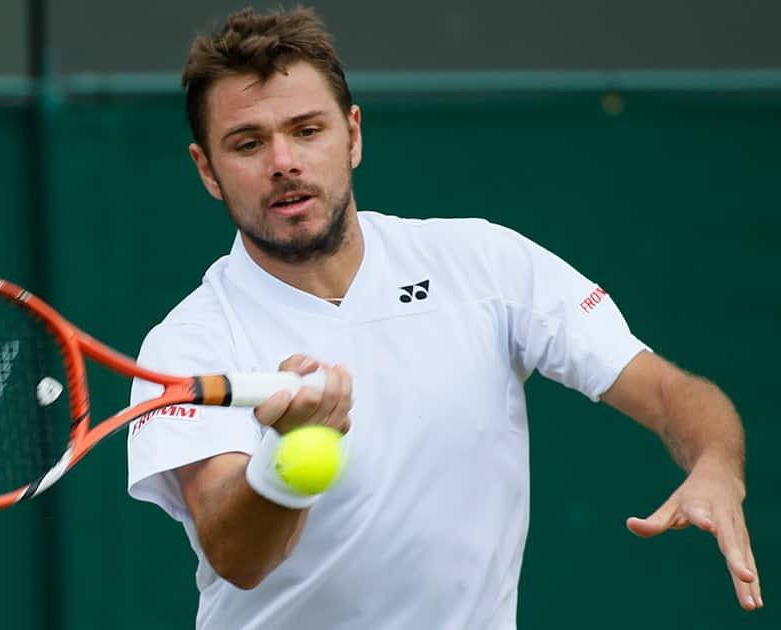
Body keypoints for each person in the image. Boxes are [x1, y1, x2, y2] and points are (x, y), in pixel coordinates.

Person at [126, 7, 761, 629]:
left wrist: (715, 463)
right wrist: (292, 452)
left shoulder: (482, 262)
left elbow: (668, 390)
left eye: (307, 130)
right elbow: (235, 556)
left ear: (353, 135)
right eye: (248, 143)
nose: (283, 161)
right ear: (207, 170)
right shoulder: (186, 345)